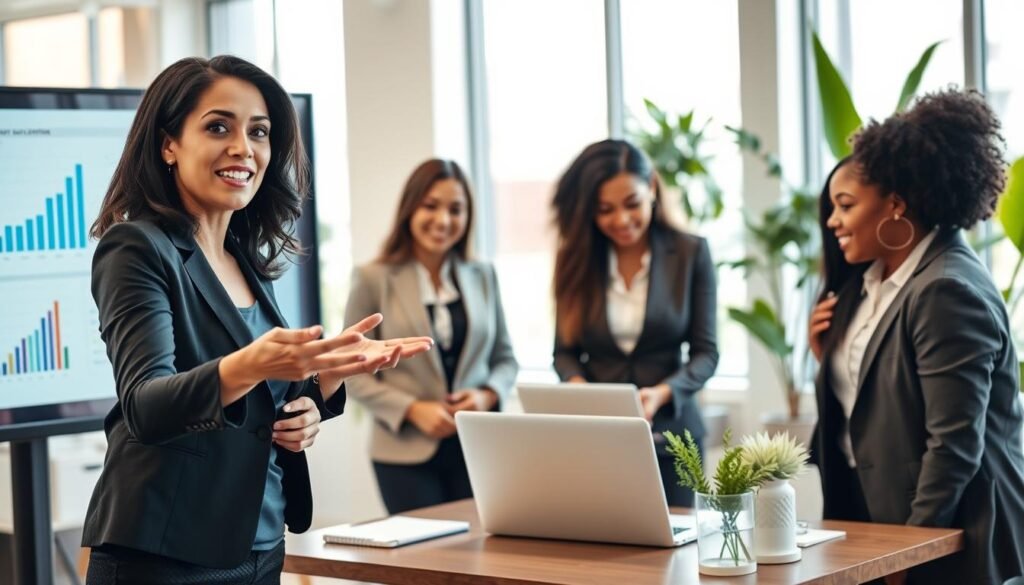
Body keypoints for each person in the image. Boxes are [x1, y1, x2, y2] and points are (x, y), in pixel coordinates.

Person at [82, 55, 432, 585]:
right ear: (168, 143)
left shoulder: (244, 256)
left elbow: (257, 406)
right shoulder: (135, 247)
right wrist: (252, 362)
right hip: (165, 551)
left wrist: (322, 389)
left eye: (259, 131)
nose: (244, 147)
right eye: (219, 126)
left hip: (258, 539)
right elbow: (146, 404)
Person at [808, 89, 1024, 585]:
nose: (832, 221)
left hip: (949, 540)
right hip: (879, 524)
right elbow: (874, 407)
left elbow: (953, 443)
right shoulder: (870, 286)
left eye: (845, 205)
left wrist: (911, 548)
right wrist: (829, 359)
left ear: (896, 206)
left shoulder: (946, 288)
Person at [344, 159, 518, 514]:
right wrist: (413, 409)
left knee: (482, 561)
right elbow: (350, 372)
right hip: (404, 453)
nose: (443, 220)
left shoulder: (483, 275)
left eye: (456, 209)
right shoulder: (372, 278)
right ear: (410, 208)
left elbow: (505, 359)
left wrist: (486, 396)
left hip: (477, 448)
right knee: (422, 563)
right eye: (430, 206)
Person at [551, 139, 719, 507]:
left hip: (674, 435)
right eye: (605, 210)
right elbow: (563, 353)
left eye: (632, 204)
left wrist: (661, 393)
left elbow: (706, 354)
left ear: (653, 190)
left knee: (676, 554)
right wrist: (580, 389)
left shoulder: (690, 253)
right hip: (599, 437)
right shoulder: (575, 260)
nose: (621, 220)